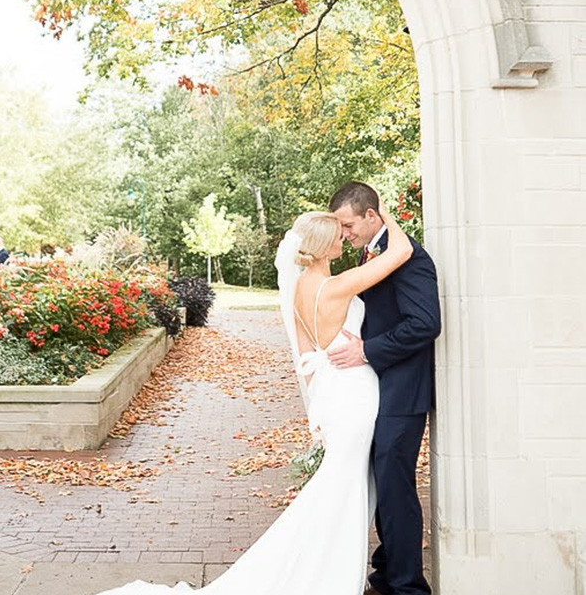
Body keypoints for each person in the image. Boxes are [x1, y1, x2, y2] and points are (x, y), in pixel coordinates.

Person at [91, 201, 413, 595]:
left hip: (333, 395)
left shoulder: (300, 290)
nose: (344, 239)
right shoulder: (336, 286)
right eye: (338, 235)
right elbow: (402, 251)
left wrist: (318, 409)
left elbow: (306, 360)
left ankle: (323, 572)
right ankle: (325, 577)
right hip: (353, 393)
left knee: (341, 487)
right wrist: (384, 212)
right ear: (323, 247)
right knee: (344, 490)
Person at [328, 181, 441, 595]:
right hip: (380, 390)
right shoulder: (374, 251)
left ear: (372, 215)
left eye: (348, 225)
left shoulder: (408, 257)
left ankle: (408, 587)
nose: (344, 234)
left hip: (403, 392)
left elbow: (425, 323)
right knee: (384, 486)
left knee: (396, 491)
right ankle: (386, 574)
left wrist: (367, 351)